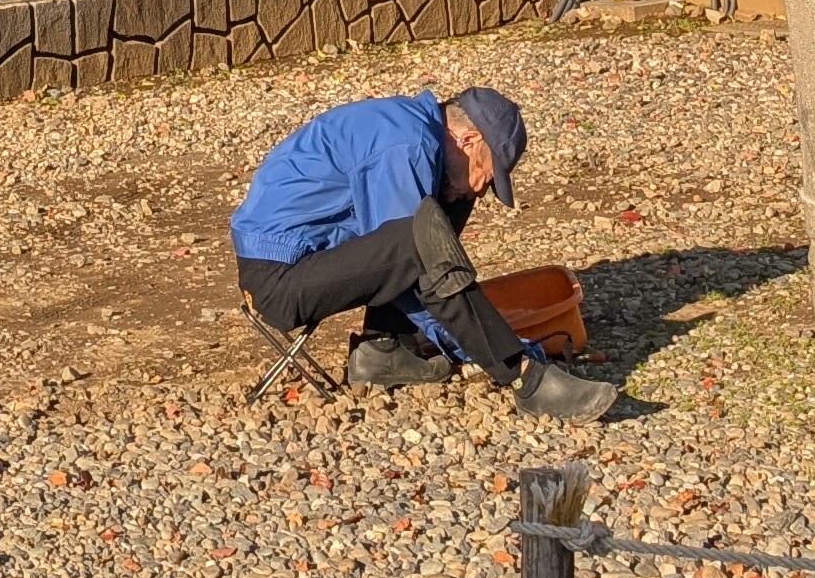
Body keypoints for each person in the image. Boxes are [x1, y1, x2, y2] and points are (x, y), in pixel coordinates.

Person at [231, 79, 618, 412]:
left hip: (306, 262)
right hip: (280, 282)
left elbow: (401, 258)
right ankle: (522, 376)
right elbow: (419, 260)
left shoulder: (413, 129)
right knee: (420, 235)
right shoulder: (405, 146)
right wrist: (488, 343)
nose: (486, 187)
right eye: (489, 170)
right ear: (469, 140)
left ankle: (383, 349)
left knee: (449, 200)